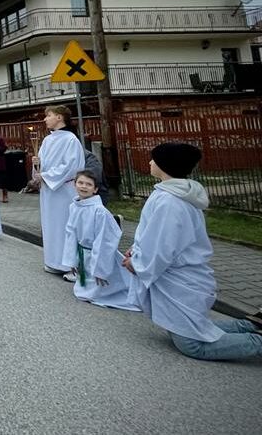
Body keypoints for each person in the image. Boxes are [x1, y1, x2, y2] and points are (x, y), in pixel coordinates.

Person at [123, 143, 262, 360]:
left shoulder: (171, 202)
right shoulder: (170, 193)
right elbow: (153, 234)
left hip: (182, 281)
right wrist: (136, 249)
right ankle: (247, 325)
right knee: (195, 330)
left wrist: (138, 264)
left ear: (165, 165)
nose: (150, 162)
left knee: (194, 345)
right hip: (179, 278)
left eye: (154, 159)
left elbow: (163, 247)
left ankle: (257, 343)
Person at [60, 170, 139, 311]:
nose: (84, 187)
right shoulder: (74, 207)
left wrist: (100, 269)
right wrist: (72, 259)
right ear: (74, 184)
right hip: (83, 251)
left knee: (103, 285)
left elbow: (105, 240)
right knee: (86, 283)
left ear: (95, 189)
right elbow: (70, 233)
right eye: (81, 183)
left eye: (89, 184)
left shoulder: (99, 211)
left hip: (98, 253)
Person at [33, 105, 86, 276]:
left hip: (64, 191)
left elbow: (71, 166)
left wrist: (47, 176)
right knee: (51, 225)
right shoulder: (47, 140)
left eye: (48, 115)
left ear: (59, 117)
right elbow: (43, 166)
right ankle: (53, 260)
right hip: (49, 191)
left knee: (65, 225)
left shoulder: (71, 140)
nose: (45, 119)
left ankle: (69, 265)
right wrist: (37, 165)